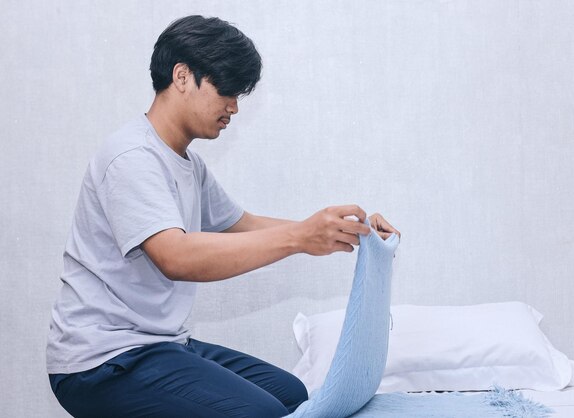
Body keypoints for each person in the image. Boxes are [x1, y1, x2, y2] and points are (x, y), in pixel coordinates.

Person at [46, 15, 400, 418]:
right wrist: (301, 237)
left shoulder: (188, 165)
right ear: (182, 76)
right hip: (103, 362)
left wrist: (347, 231)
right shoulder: (131, 158)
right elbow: (175, 257)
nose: (233, 107)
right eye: (226, 90)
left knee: (292, 394)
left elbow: (243, 225)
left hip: (159, 344)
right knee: (261, 413)